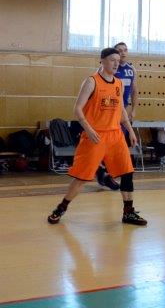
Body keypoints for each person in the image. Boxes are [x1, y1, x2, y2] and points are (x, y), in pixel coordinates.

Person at [47, 48, 147, 226]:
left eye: (118, 60)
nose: (116, 63)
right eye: (112, 60)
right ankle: (60, 208)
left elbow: (121, 110)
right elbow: (77, 109)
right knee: (82, 177)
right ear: (102, 60)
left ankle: (128, 212)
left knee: (127, 172)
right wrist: (89, 129)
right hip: (95, 136)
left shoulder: (118, 83)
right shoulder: (91, 82)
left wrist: (130, 131)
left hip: (115, 135)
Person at [95, 41, 138, 190]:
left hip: (122, 111)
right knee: (107, 144)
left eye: (125, 50)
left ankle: (106, 173)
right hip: (108, 112)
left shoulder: (131, 69)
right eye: (119, 50)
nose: (123, 53)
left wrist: (134, 109)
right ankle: (103, 171)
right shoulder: (107, 69)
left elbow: (134, 91)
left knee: (117, 145)